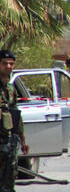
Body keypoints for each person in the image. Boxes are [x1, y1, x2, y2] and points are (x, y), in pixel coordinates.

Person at [0, 50, 29, 192]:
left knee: (10, 178)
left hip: (9, 141)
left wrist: (23, 140)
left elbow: (16, 116)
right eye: (5, 64)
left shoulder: (10, 89)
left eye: (11, 64)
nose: (9, 66)